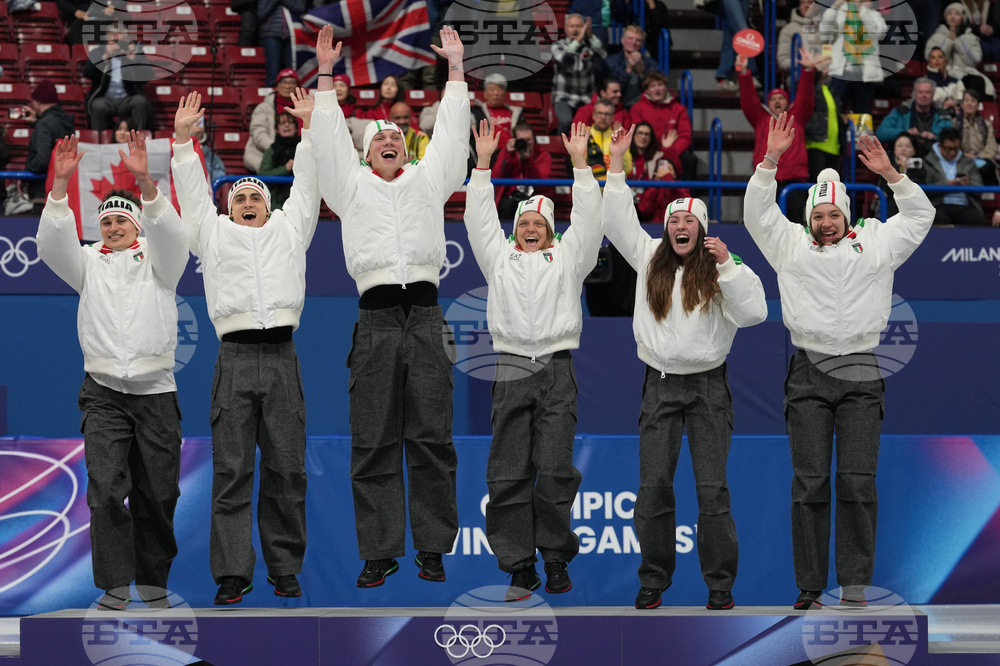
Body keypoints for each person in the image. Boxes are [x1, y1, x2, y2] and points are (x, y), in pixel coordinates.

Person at [743, 113, 934, 610]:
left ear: (847, 215)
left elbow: (920, 217)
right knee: (809, 482)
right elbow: (756, 215)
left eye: (833, 215)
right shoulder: (790, 245)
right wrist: (770, 160)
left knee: (856, 481)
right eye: (818, 216)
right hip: (807, 369)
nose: (826, 223)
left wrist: (893, 176)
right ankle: (809, 586)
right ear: (808, 218)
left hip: (861, 370)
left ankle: (853, 583)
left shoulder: (875, 239)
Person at [310, 25, 469, 588]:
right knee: (372, 438)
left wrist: (454, 69)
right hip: (375, 320)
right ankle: (379, 550)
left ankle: (431, 547)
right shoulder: (348, 186)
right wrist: (326, 78)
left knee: (432, 437)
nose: (389, 141)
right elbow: (326, 143)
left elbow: (452, 139)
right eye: (379, 138)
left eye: (397, 137)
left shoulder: (429, 182)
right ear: (364, 149)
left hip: (426, 316)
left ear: (407, 147)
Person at [603, 125, 767, 612]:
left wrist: (730, 269)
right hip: (659, 385)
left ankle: (720, 585)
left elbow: (754, 314)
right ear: (668, 225)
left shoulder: (724, 266)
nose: (680, 226)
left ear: (702, 229)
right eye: (674, 218)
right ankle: (653, 580)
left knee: (711, 490)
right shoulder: (648, 257)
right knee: (653, 488)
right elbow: (617, 221)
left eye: (689, 221)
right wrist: (616, 163)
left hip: (709, 389)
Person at [171, 89, 320, 605]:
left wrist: (308, 131)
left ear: (270, 205)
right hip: (233, 361)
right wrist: (184, 142)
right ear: (227, 208)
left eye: (257, 196)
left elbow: (308, 185)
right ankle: (234, 573)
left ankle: (284, 568)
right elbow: (191, 198)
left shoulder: (289, 229)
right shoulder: (210, 235)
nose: (250, 204)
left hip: (282, 360)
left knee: (288, 469)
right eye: (240, 199)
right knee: (232, 472)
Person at [37, 132, 189, 611]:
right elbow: (50, 245)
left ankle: (153, 583)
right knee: (105, 492)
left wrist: (146, 181)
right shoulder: (86, 263)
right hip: (103, 393)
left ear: (137, 224)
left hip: (157, 392)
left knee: (159, 495)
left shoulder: (160, 261)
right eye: (106, 221)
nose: (114, 227)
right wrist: (60, 186)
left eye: (123, 219)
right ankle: (116, 586)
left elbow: (172, 233)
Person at [465, 120, 602, 603]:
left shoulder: (568, 258)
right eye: (523, 223)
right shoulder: (498, 258)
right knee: (506, 472)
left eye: (538, 225)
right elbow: (478, 222)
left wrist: (581, 168)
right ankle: (519, 567)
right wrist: (482, 168)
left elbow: (589, 224)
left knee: (555, 468)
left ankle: (556, 557)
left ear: (550, 233)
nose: (528, 229)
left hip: (557, 368)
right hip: (509, 368)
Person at [738, 49, 816, 225]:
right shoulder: (760, 118)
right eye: (773, 99)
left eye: (781, 98)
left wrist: (808, 71)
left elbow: (806, 97)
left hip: (794, 181)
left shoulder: (798, 116)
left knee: (794, 225)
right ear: (768, 103)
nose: (777, 101)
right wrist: (743, 73)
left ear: (787, 102)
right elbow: (749, 99)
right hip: (766, 179)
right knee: (765, 225)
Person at [819, 0, 887, 115]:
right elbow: (824, 31)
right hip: (840, 72)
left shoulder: (874, 15)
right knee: (834, 114)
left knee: (863, 116)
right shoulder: (839, 13)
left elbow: (878, 33)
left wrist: (862, 11)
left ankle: (863, 134)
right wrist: (835, 6)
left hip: (864, 75)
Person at [83, 24, 154, 132]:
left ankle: (139, 140)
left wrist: (135, 60)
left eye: (120, 41)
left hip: (128, 99)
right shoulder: (99, 52)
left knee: (140, 102)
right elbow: (87, 72)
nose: (117, 44)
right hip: (105, 100)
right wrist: (105, 56)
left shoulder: (134, 51)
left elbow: (149, 76)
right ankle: (99, 142)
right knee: (97, 105)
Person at [926, 3, 995, 101]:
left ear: (962, 18)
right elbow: (930, 57)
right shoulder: (937, 36)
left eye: (956, 14)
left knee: (977, 81)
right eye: (949, 14)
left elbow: (974, 60)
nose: (952, 17)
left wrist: (958, 42)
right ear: (945, 17)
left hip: (966, 72)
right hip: (943, 74)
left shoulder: (971, 37)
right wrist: (949, 41)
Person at [628, 71, 693, 176]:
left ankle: (685, 192)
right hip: (647, 151)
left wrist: (668, 151)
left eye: (660, 85)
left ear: (666, 87)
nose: (657, 89)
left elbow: (685, 136)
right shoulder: (637, 108)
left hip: (672, 150)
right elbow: (639, 134)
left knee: (690, 161)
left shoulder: (678, 109)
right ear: (647, 90)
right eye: (652, 86)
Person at [551, 14, 607, 135]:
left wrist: (591, 36)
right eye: (572, 26)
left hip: (587, 98)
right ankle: (562, 151)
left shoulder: (589, 46)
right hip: (564, 97)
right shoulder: (558, 46)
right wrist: (579, 39)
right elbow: (563, 58)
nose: (575, 30)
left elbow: (602, 55)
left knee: (599, 123)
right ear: (566, 29)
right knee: (566, 122)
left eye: (579, 26)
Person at [924, 126, 988, 225]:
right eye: (949, 148)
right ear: (940, 146)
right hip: (938, 205)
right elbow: (924, 189)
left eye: (956, 148)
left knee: (978, 221)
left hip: (965, 205)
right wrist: (946, 185)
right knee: (936, 219)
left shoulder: (968, 162)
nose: (953, 152)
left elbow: (979, 188)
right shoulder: (928, 162)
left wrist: (968, 185)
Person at [24, 80, 75, 202]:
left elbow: (42, 160)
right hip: (66, 187)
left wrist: (28, 167)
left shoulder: (44, 124)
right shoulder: (67, 122)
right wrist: (36, 122)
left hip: (43, 189)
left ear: (37, 102)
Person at [629, 122, 690, 222]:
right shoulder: (655, 188)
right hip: (650, 221)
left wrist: (667, 149)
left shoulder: (680, 186)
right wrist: (656, 183)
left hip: (671, 222)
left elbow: (685, 200)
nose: (643, 137)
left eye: (647, 134)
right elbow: (644, 208)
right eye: (640, 133)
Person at [492, 120, 553, 221]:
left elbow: (542, 184)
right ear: (515, 140)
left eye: (528, 139)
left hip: (534, 197)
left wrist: (528, 160)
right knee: (506, 205)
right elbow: (495, 176)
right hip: (509, 198)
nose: (526, 143)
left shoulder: (543, 156)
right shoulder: (508, 153)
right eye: (521, 140)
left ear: (534, 139)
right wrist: (508, 156)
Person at [875, 78, 953, 155]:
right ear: (915, 94)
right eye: (920, 92)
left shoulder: (942, 115)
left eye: (927, 92)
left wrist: (935, 137)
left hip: (933, 159)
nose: (923, 95)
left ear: (932, 95)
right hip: (903, 158)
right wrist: (905, 133)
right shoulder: (900, 111)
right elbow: (880, 134)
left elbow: (951, 138)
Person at [244, 68, 300, 172]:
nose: (287, 86)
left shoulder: (306, 107)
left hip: (299, 156)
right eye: (284, 82)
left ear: (297, 87)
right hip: (266, 155)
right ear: (277, 87)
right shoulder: (263, 107)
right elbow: (258, 132)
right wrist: (276, 151)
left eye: (292, 83)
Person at [596, 25, 659, 107]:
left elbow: (654, 90)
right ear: (622, 40)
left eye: (638, 40)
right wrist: (628, 69)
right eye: (630, 38)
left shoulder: (651, 64)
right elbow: (611, 90)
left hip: (642, 106)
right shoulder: (610, 62)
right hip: (617, 106)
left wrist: (641, 74)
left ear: (642, 44)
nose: (633, 42)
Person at [804, 68, 845, 180]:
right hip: (816, 144)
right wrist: (811, 69)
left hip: (834, 147)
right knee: (818, 186)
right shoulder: (811, 89)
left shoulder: (830, 90)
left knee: (832, 187)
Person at [953, 89, 1000, 185]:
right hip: (960, 159)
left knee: (988, 167)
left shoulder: (987, 125)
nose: (969, 104)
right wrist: (965, 156)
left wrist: (978, 156)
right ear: (962, 104)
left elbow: (991, 147)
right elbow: (952, 146)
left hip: (982, 159)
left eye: (973, 101)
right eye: (966, 101)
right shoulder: (954, 123)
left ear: (978, 105)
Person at [257, 110, 300, 210]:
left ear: (296, 127)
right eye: (282, 123)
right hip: (276, 202)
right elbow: (263, 174)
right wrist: (285, 169)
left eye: (290, 122)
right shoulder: (271, 151)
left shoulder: (304, 148)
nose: (286, 125)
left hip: (300, 199)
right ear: (277, 129)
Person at [877, 133, 926, 217]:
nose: (903, 149)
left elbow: (919, 188)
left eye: (908, 146)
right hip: (892, 203)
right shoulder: (887, 166)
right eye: (899, 146)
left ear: (914, 151)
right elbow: (887, 190)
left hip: (914, 204)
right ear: (894, 149)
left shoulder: (919, 167)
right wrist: (901, 169)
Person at [259, 0, 305, 86]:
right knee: (273, 71)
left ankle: (295, 96)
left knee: (293, 71)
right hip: (271, 34)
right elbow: (261, 14)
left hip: (293, 35)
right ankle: (271, 97)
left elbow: (300, 9)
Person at [472, 73, 522, 150]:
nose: (496, 93)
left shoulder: (515, 112)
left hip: (513, 151)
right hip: (490, 153)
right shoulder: (477, 112)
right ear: (485, 94)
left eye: (500, 90)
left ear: (505, 94)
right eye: (492, 90)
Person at [587, 99, 632, 180]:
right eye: (600, 113)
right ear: (593, 115)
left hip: (612, 186)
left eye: (607, 114)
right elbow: (575, 165)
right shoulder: (585, 135)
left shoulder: (617, 137)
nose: (603, 117)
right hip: (590, 186)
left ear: (613, 117)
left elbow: (628, 169)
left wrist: (621, 151)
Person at [778, 0, 821, 72]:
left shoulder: (823, 27)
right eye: (802, 3)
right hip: (798, 74)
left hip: (822, 73)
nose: (805, 5)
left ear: (817, 6)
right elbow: (782, 61)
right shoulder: (788, 29)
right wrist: (804, 62)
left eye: (810, 2)